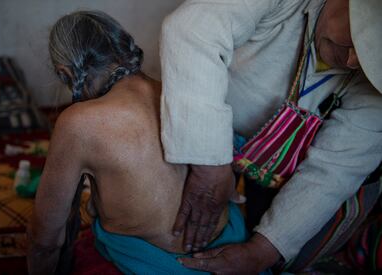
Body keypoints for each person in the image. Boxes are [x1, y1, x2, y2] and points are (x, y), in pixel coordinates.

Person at [160, 0, 382, 273]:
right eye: (359, 41)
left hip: (285, 166)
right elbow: (190, 31)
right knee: (169, 214)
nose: (352, 61)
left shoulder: (371, 87)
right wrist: (209, 165)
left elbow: (335, 171)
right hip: (210, 124)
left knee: (286, 255)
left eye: (371, 60)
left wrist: (261, 251)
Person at [27, 11, 256, 275]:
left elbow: (44, 240)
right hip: (230, 252)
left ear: (65, 73)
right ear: (125, 47)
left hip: (156, 265)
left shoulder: (76, 123)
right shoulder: (182, 90)